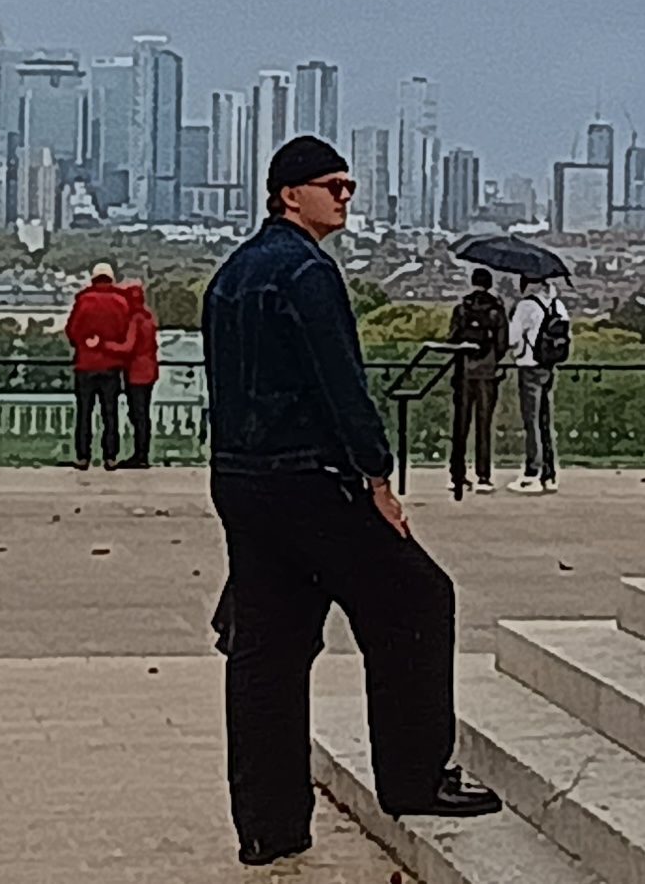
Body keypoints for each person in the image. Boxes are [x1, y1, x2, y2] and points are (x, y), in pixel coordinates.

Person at [203, 135, 501, 868]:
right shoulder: (306, 272)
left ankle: (268, 826)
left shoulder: (230, 275)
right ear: (288, 195)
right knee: (416, 601)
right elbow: (341, 382)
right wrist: (376, 476)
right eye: (332, 185)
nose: (344, 197)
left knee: (267, 651)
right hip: (311, 479)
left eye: (348, 186)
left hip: (241, 480)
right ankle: (413, 777)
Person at [507, 276, 571, 494]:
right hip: (549, 366)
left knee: (531, 421)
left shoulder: (526, 306)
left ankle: (532, 473)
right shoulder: (558, 306)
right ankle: (549, 473)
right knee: (545, 420)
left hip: (529, 366)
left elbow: (512, 338)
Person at [448, 268, 508, 493]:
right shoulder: (496, 311)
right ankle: (483, 476)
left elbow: (452, 338)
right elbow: (503, 344)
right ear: (490, 283)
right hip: (486, 372)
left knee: (460, 425)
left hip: (463, 371)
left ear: (472, 282)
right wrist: (491, 359)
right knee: (484, 426)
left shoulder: (462, 308)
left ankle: (457, 474)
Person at [65, 262, 129, 471]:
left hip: (86, 365)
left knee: (84, 413)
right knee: (110, 414)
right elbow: (124, 334)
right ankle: (110, 456)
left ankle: (83, 456)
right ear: (111, 278)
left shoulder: (84, 301)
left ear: (93, 278)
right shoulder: (121, 302)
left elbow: (72, 331)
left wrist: (85, 345)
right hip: (111, 366)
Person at [104, 283, 159, 469]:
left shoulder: (135, 320)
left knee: (137, 414)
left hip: (136, 371)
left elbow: (128, 346)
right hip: (150, 368)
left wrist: (107, 345)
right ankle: (143, 453)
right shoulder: (149, 318)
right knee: (144, 414)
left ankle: (139, 455)